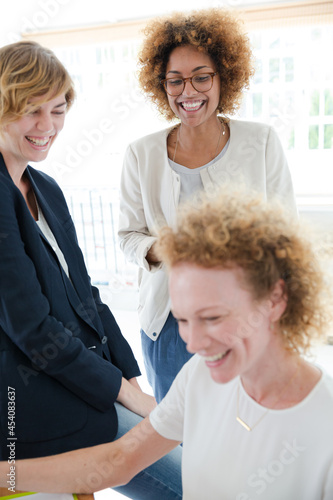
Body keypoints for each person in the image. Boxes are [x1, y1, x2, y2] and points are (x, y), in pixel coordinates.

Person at [2, 189, 332, 499]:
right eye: (183, 321)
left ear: (275, 299)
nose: (194, 344)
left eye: (213, 318)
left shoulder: (324, 422)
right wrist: (7, 477)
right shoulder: (200, 378)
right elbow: (119, 461)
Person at [0, 40, 182, 499]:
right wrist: (122, 393)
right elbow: (31, 327)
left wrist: (131, 380)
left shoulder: (45, 187)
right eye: (31, 111)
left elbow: (88, 297)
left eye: (58, 111)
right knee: (196, 480)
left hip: (82, 377)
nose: (47, 127)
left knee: (200, 450)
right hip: (32, 393)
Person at [118, 7, 298, 403]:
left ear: (224, 77)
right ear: (160, 85)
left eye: (202, 77)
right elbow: (128, 235)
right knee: (180, 437)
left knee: (247, 425)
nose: (189, 92)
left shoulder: (261, 142)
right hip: (169, 323)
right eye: (175, 80)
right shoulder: (141, 153)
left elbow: (285, 235)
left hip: (246, 316)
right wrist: (161, 249)